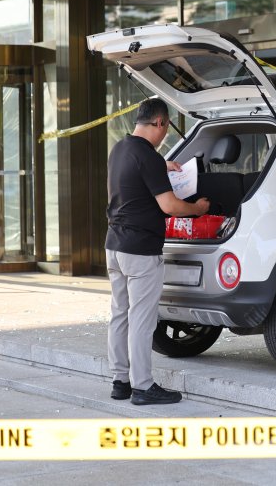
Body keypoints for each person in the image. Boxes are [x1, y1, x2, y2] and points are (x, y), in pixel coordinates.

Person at [106, 98, 210, 405]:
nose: (164, 136)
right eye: (165, 129)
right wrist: (197, 209)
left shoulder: (120, 149)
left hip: (114, 245)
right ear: (160, 123)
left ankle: (120, 382)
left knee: (119, 315)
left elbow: (134, 173)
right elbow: (169, 205)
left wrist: (159, 166)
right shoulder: (148, 158)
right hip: (140, 251)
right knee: (142, 319)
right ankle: (143, 387)